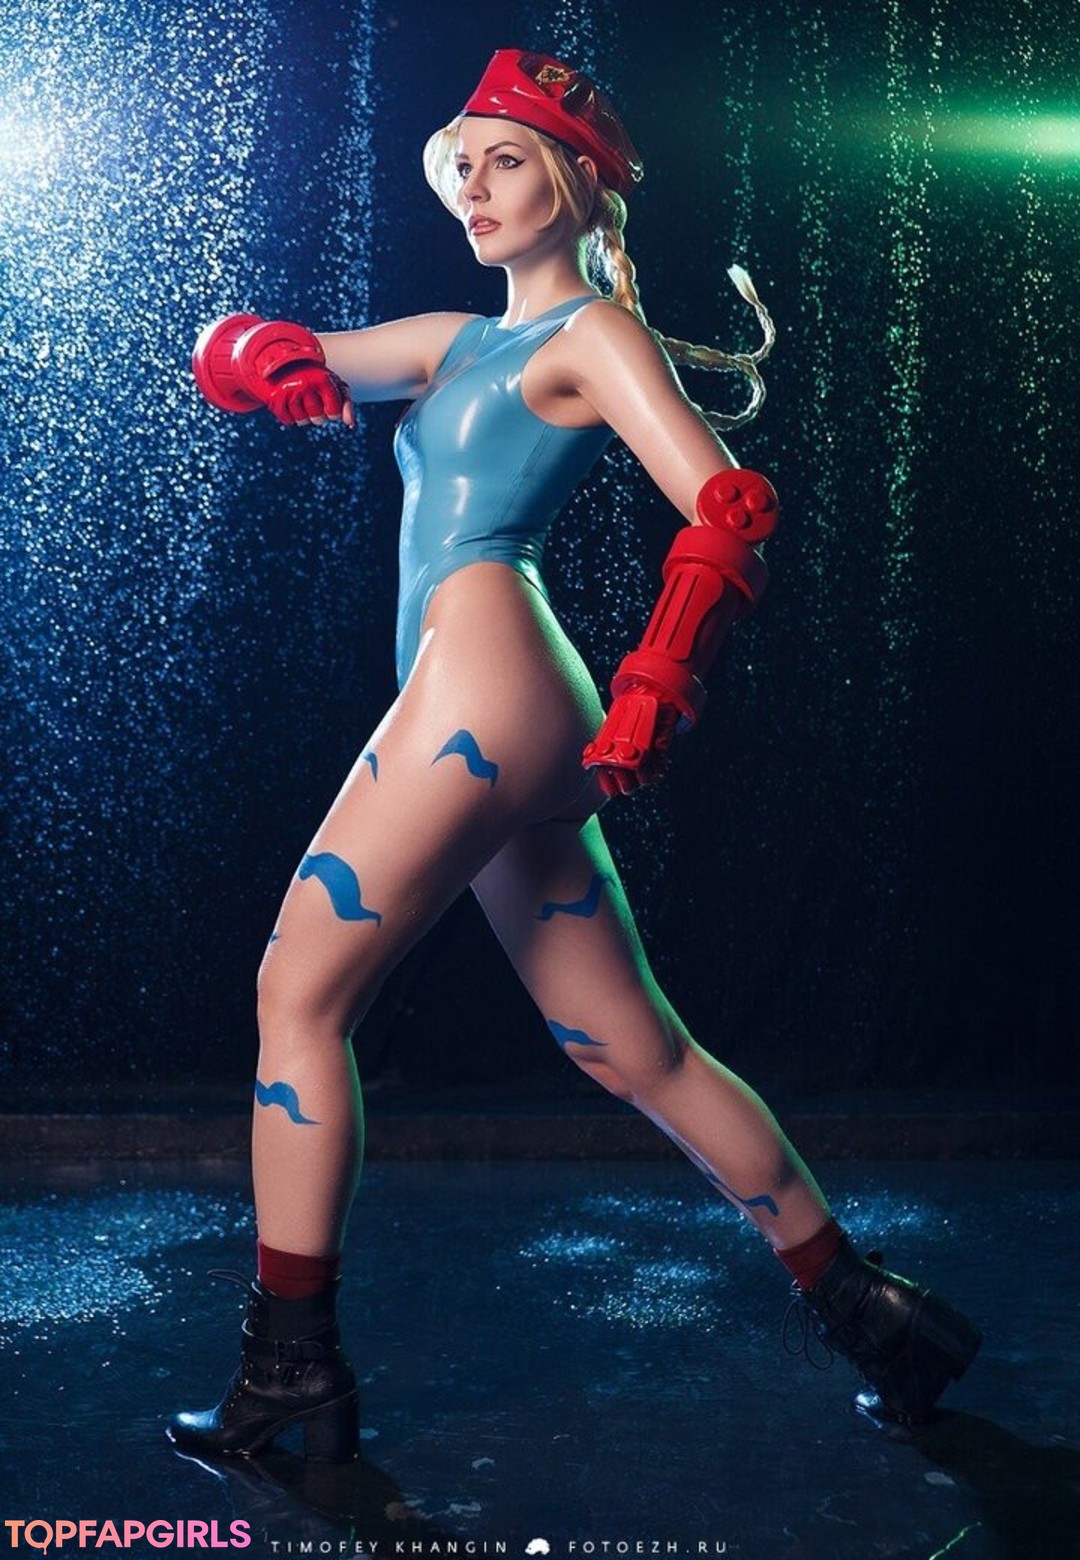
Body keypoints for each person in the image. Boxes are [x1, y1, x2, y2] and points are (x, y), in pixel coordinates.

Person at [168, 49, 980, 1464]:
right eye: (464, 166)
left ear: (578, 182)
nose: (476, 189)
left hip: (481, 675)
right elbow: (247, 351)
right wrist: (265, 363)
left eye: (510, 162)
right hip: (499, 697)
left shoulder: (593, 336)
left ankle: (289, 1372)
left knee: (296, 998)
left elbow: (730, 506)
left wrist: (664, 680)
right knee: (633, 1048)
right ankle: (878, 1316)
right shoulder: (451, 342)